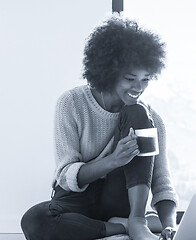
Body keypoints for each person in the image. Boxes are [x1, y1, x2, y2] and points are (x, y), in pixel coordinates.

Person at [21, 16, 178, 240]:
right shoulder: (72, 103)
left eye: (145, 79)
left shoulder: (150, 118)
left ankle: (138, 220)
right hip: (76, 200)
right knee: (35, 220)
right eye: (130, 78)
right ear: (109, 72)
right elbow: (66, 176)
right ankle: (124, 227)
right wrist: (113, 160)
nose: (138, 87)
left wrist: (169, 226)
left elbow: (162, 181)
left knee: (138, 113)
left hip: (122, 199)